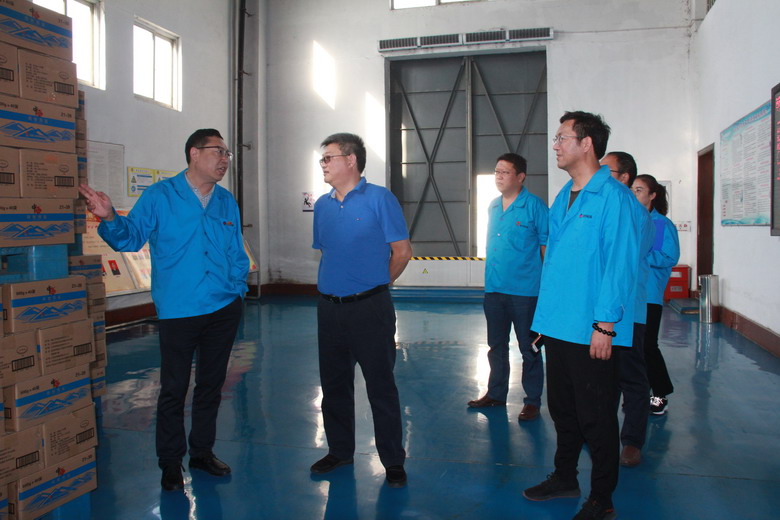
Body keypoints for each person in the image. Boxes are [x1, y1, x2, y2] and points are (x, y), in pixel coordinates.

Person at [78, 129, 248, 491]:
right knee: (174, 387)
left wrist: (237, 289)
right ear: (194, 153)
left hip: (223, 306)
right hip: (179, 309)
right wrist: (109, 217)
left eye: (227, 154)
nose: (224, 159)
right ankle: (170, 462)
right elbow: (129, 237)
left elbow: (236, 250)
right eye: (218, 151)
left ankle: (202, 453)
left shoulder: (225, 201)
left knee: (211, 385)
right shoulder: (160, 196)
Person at [523, 112, 639, 520]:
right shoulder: (564, 196)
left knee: (597, 417)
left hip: (592, 329)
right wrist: (543, 322)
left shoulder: (614, 198)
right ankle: (564, 477)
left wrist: (605, 324)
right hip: (560, 325)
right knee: (563, 411)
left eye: (562, 137)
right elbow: (555, 264)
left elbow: (620, 265)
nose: (555, 145)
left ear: (586, 144)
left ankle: (602, 498)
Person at [310, 132, 412, 488]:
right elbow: (328, 252)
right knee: (333, 385)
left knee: (380, 387)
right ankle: (340, 451)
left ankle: (393, 460)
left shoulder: (380, 199)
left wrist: (376, 284)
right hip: (329, 310)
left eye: (329, 158)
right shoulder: (322, 206)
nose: (323, 164)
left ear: (350, 160)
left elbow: (402, 252)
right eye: (322, 159)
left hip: (370, 309)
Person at [467, 153, 548, 422]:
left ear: (520, 177)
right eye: (496, 171)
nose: (499, 177)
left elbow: (546, 249)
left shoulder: (535, 206)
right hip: (494, 289)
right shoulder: (493, 206)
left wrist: (549, 289)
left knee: (529, 348)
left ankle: (532, 401)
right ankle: (496, 394)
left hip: (525, 292)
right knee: (496, 346)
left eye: (505, 172)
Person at [601, 151, 654, 467]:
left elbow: (626, 261)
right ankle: (600, 435)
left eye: (606, 171)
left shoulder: (637, 214)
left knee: (632, 377)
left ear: (624, 177)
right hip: (600, 311)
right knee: (602, 378)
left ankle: (632, 441)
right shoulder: (601, 205)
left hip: (628, 310)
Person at [632, 174, 680, 415]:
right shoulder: (630, 221)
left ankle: (660, 393)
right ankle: (637, 393)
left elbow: (668, 256)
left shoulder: (660, 224)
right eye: (632, 189)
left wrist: (637, 255)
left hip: (649, 295)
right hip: (629, 295)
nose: (634, 194)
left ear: (652, 195)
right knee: (631, 348)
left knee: (648, 346)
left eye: (639, 190)